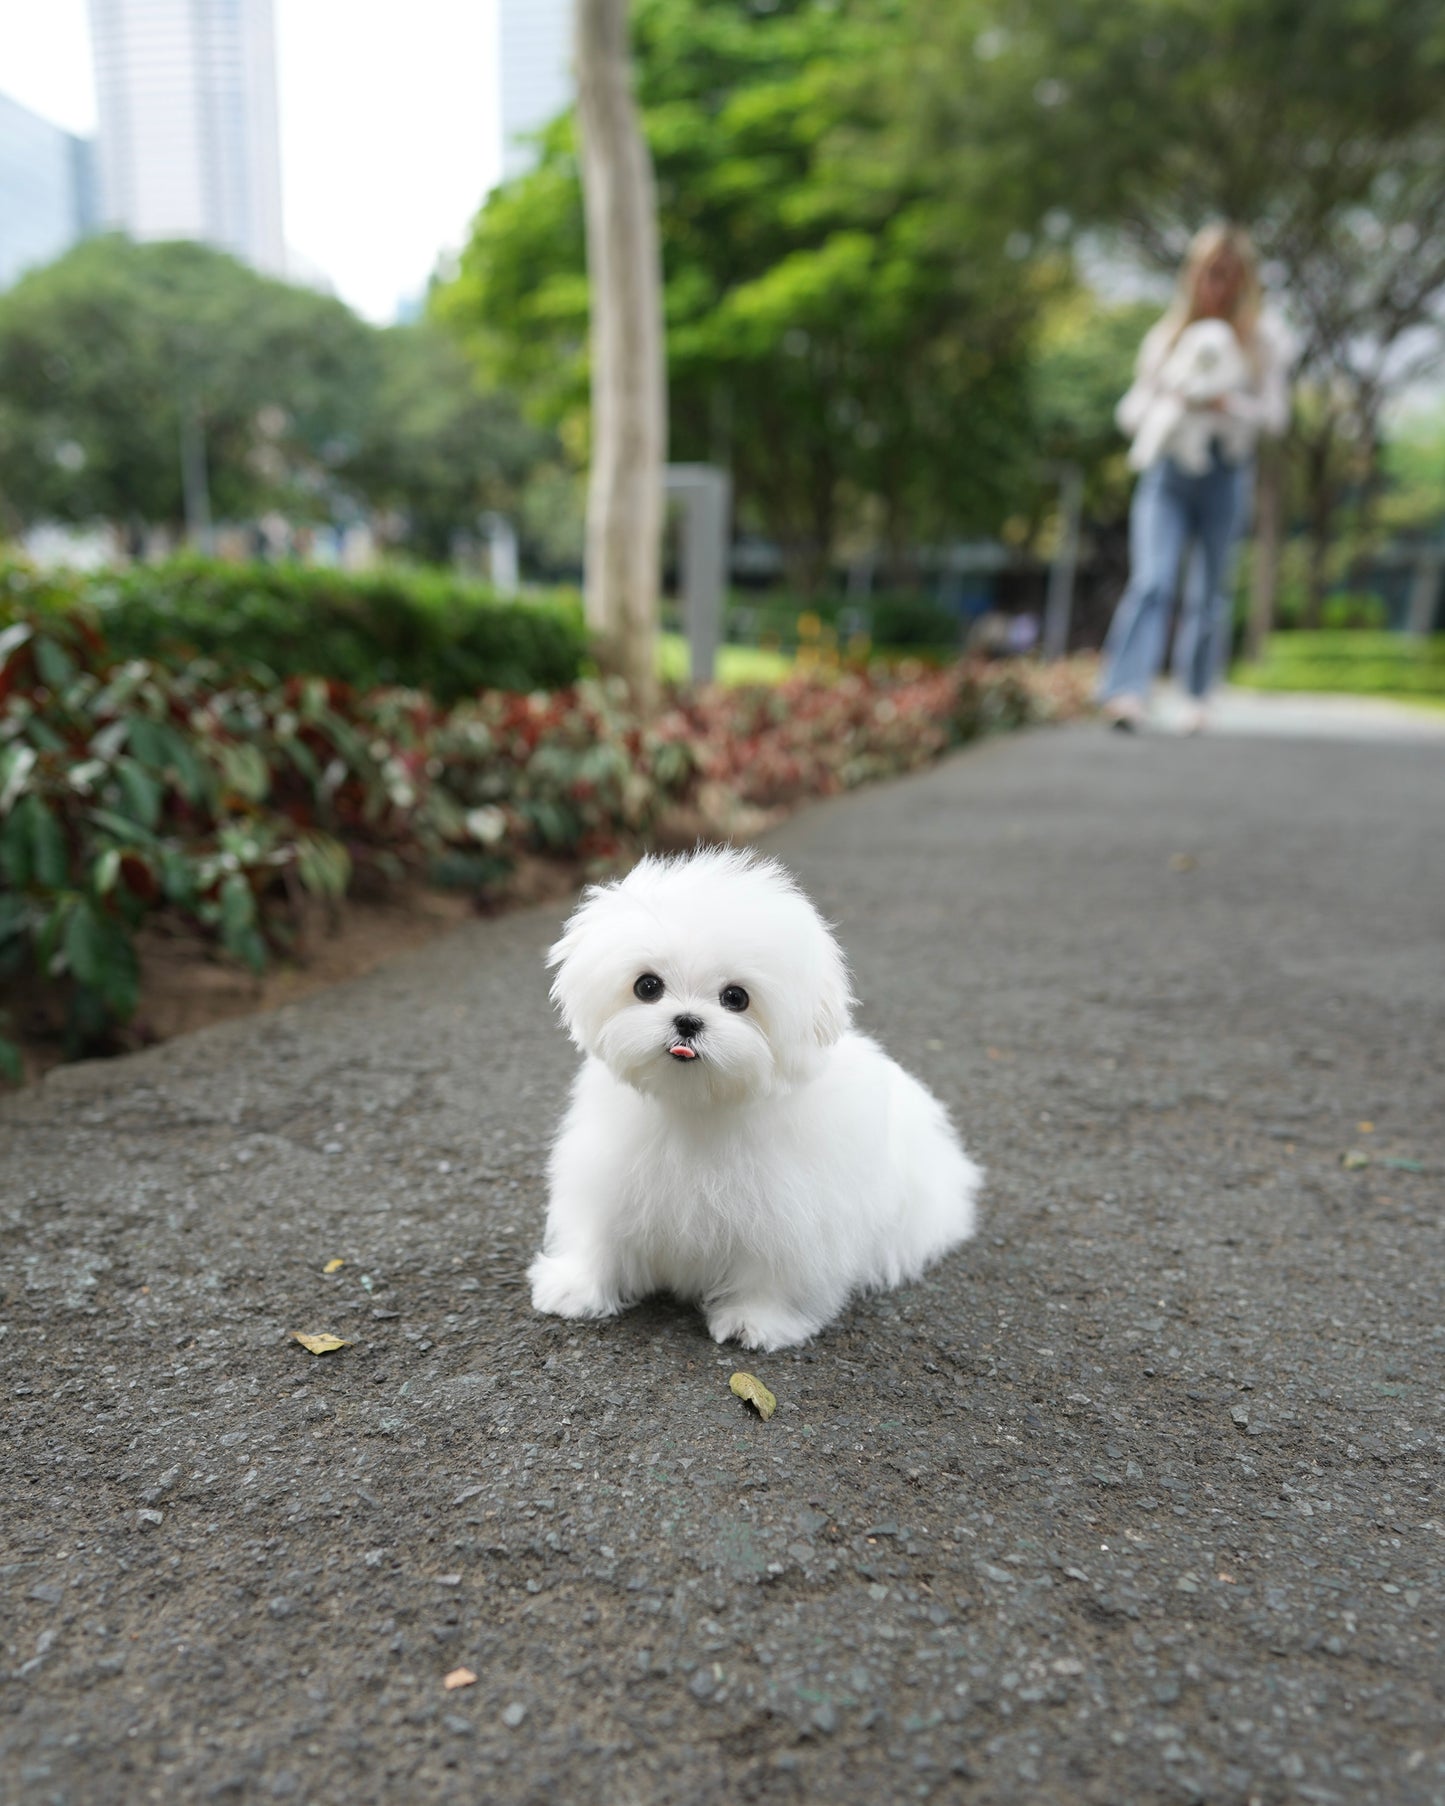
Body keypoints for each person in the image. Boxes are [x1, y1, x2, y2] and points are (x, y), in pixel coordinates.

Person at [1098, 224, 1292, 732]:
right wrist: (1170, 401)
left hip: (1225, 472)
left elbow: (1276, 417)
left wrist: (1229, 404)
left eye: (1228, 275)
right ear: (1194, 275)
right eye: (1209, 273)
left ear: (1243, 279)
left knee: (1210, 590)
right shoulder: (1168, 335)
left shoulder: (1262, 339)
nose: (1217, 285)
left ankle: (1197, 695)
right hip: (1167, 471)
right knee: (1153, 581)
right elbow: (1130, 411)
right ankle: (1125, 692)